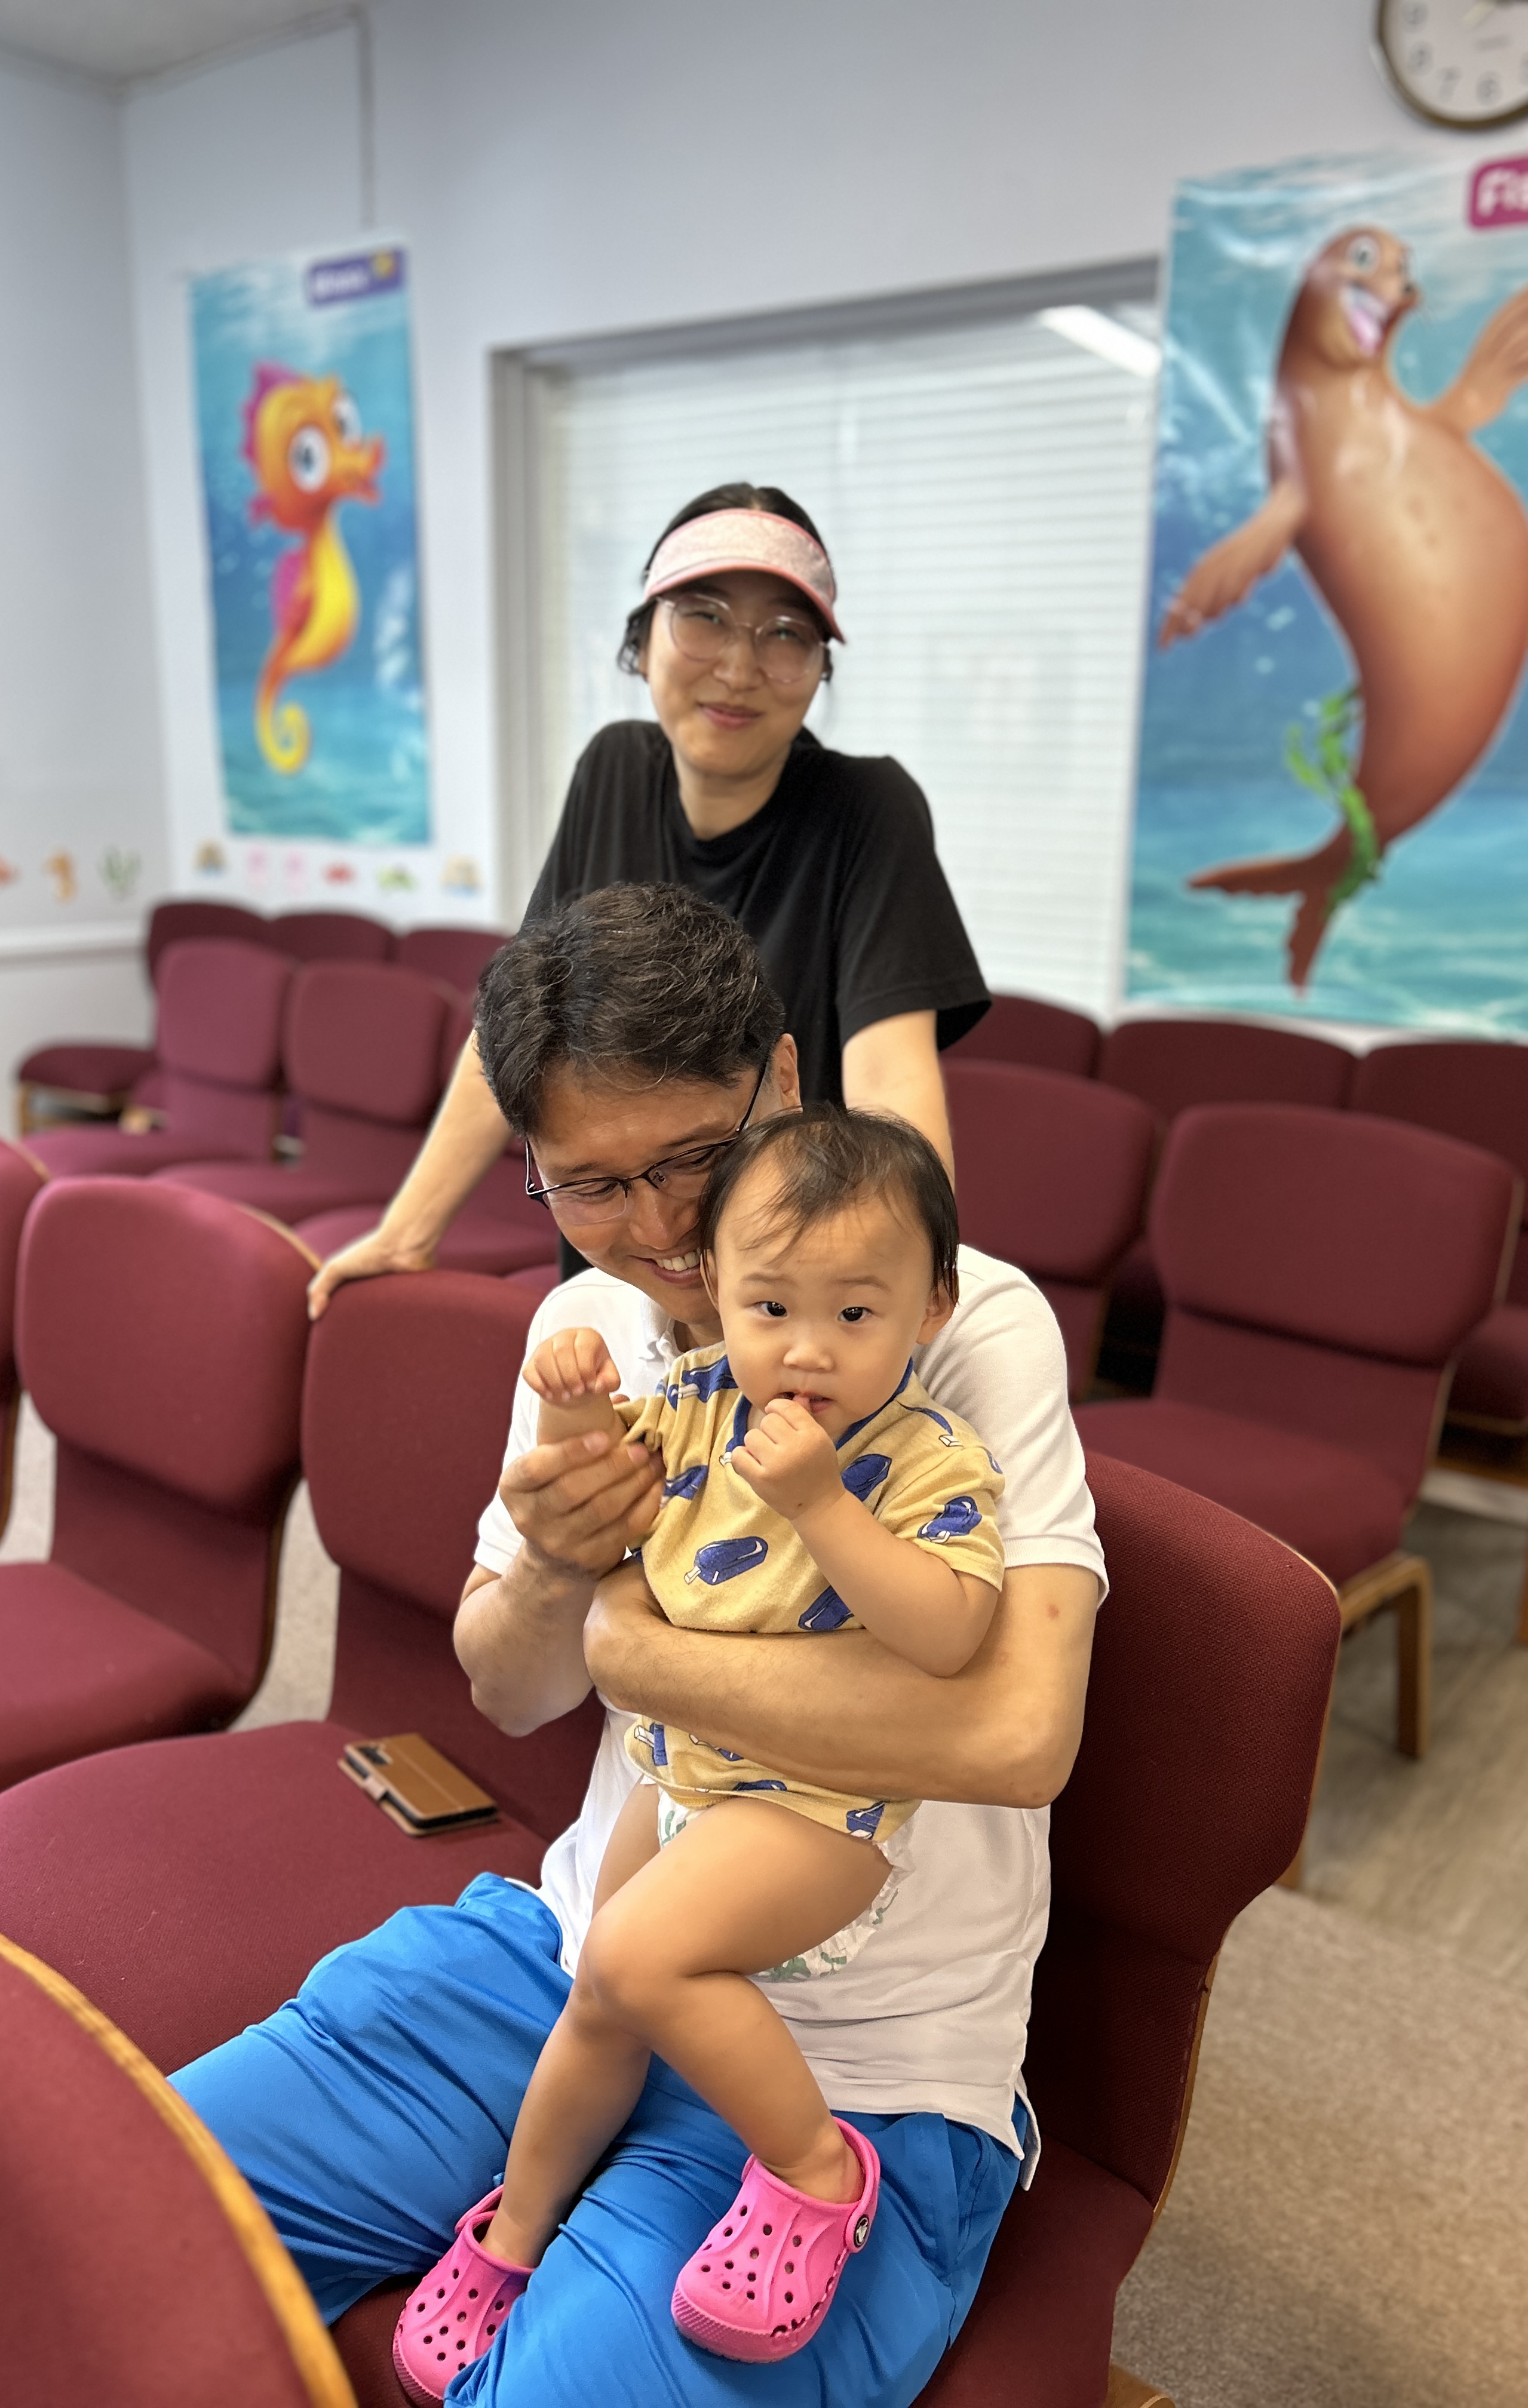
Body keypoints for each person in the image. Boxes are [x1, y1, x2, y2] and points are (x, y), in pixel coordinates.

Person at [173, 886, 1104, 2408]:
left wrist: (633, 1642)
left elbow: (1017, 1737)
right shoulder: (599, 1326)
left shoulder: (945, 1321)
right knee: (117, 2214)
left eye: (692, 1158)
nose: (664, 1232)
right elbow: (509, 1684)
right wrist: (557, 1566)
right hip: (576, 1959)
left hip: (864, 2068)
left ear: (784, 1080)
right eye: (595, 1184)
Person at [391, 1110, 1005, 2394]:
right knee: (601, 1998)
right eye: (773, 1307)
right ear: (718, 1290)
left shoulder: (926, 1456)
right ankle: (512, 2238)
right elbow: (597, 1501)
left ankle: (817, 2169)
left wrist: (821, 1504)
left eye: (856, 1314)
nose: (807, 1349)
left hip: (819, 1810)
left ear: (932, 1308)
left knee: (635, 1952)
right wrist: (568, 1416)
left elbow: (950, 1634)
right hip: (685, 1778)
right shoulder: (697, 1397)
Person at [305, 480, 988, 1317]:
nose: (738, 668)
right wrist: (408, 1233)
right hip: (623, 1264)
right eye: (704, 617)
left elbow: (890, 1077)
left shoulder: (868, 809)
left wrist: (894, 1298)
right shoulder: (614, 771)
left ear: (820, 671)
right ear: (641, 640)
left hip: (786, 1293)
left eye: (786, 634)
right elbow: (517, 1036)